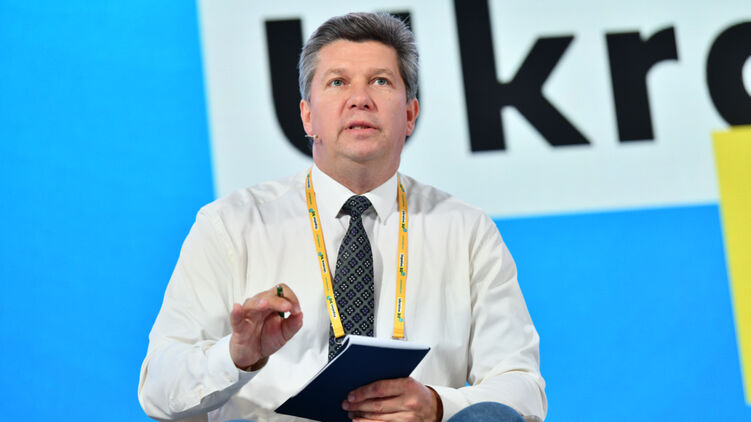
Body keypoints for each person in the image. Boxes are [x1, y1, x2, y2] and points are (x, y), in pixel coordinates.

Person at [138, 12, 546, 422]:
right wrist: (237, 356)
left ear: (410, 115)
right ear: (307, 116)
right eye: (337, 82)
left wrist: (437, 405)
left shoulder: (465, 230)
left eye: (381, 81)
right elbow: (158, 387)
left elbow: (523, 389)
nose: (360, 99)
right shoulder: (232, 225)